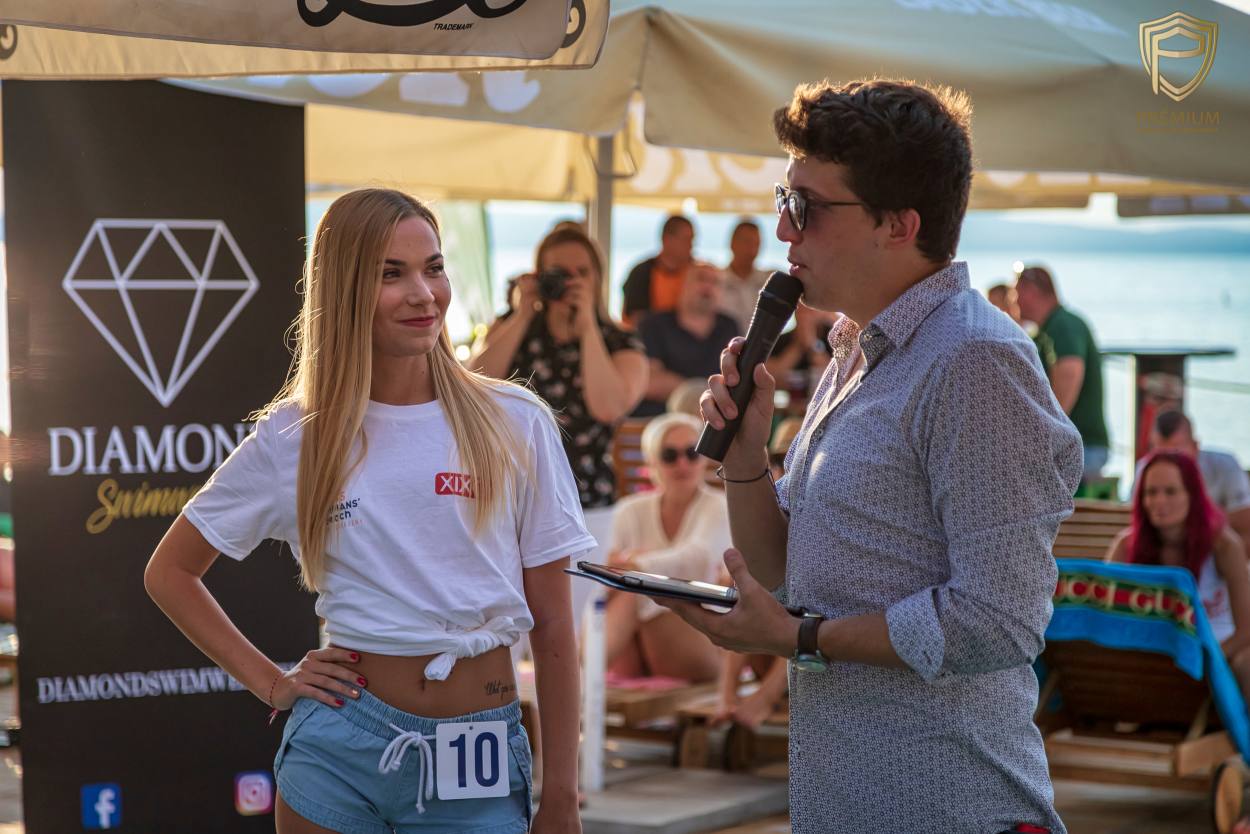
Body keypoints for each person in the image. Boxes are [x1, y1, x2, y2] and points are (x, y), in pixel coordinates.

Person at [661, 79, 1083, 833]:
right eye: (783, 200)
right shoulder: (857, 350)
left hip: (954, 809)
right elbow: (784, 573)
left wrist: (799, 638)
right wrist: (748, 458)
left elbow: (999, 621)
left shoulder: (974, 359)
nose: (783, 229)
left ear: (898, 224)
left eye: (805, 206)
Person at [144, 189, 593, 834]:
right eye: (391, 274)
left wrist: (562, 797)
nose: (423, 294)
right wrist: (273, 683)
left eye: (433, 268)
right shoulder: (296, 434)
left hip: (478, 747)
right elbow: (170, 572)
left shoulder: (515, 422)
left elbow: (553, 625)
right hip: (339, 747)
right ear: (344, 290)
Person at [470, 225, 648, 509]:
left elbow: (609, 408)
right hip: (513, 495)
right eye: (560, 273)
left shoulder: (619, 341)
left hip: (587, 498)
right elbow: (473, 385)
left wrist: (588, 328)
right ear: (540, 276)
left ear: (598, 278)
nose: (571, 282)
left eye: (582, 273)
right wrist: (522, 315)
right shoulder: (515, 326)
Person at [1107, 450, 1250, 700]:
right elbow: (1102, 616)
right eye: (1151, 492)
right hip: (1150, 659)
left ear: (1193, 495)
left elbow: (1246, 630)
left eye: (1171, 491)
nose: (1159, 500)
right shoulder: (1126, 546)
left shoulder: (1224, 545)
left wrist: (1204, 661)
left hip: (1215, 653)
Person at [603, 413, 728, 682]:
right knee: (625, 591)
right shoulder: (629, 510)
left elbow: (698, 557)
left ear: (703, 458)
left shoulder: (719, 506)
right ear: (651, 462)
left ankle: (579, 672)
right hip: (635, 649)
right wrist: (627, 570)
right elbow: (604, 567)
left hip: (704, 643)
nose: (682, 464)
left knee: (632, 590)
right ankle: (581, 674)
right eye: (669, 455)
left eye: (691, 453)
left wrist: (636, 566)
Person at [1015, 264, 1110, 482]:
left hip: (1082, 449)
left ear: (1031, 292)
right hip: (1074, 447)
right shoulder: (1047, 330)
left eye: (1015, 292)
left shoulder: (1063, 325)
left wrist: (1042, 440)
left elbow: (1070, 373)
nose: (1013, 301)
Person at [633, 263, 740, 418]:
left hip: (716, 420)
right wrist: (701, 395)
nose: (708, 287)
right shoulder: (653, 325)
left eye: (715, 282)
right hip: (662, 420)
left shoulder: (729, 326)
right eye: (701, 279)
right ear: (682, 284)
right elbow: (648, 381)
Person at [1138, 410, 1250, 546]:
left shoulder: (1225, 466)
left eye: (1176, 453)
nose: (1167, 462)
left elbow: (1245, 518)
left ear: (1195, 446)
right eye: (1159, 453)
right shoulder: (1145, 469)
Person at [621, 214, 695, 328]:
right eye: (686, 240)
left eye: (692, 240)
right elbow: (634, 318)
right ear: (667, 239)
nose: (691, 246)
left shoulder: (697, 273)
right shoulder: (641, 273)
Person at [718, 219, 772, 333]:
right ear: (732, 243)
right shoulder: (716, 282)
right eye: (747, 242)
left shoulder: (769, 282)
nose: (752, 250)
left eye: (756, 244)